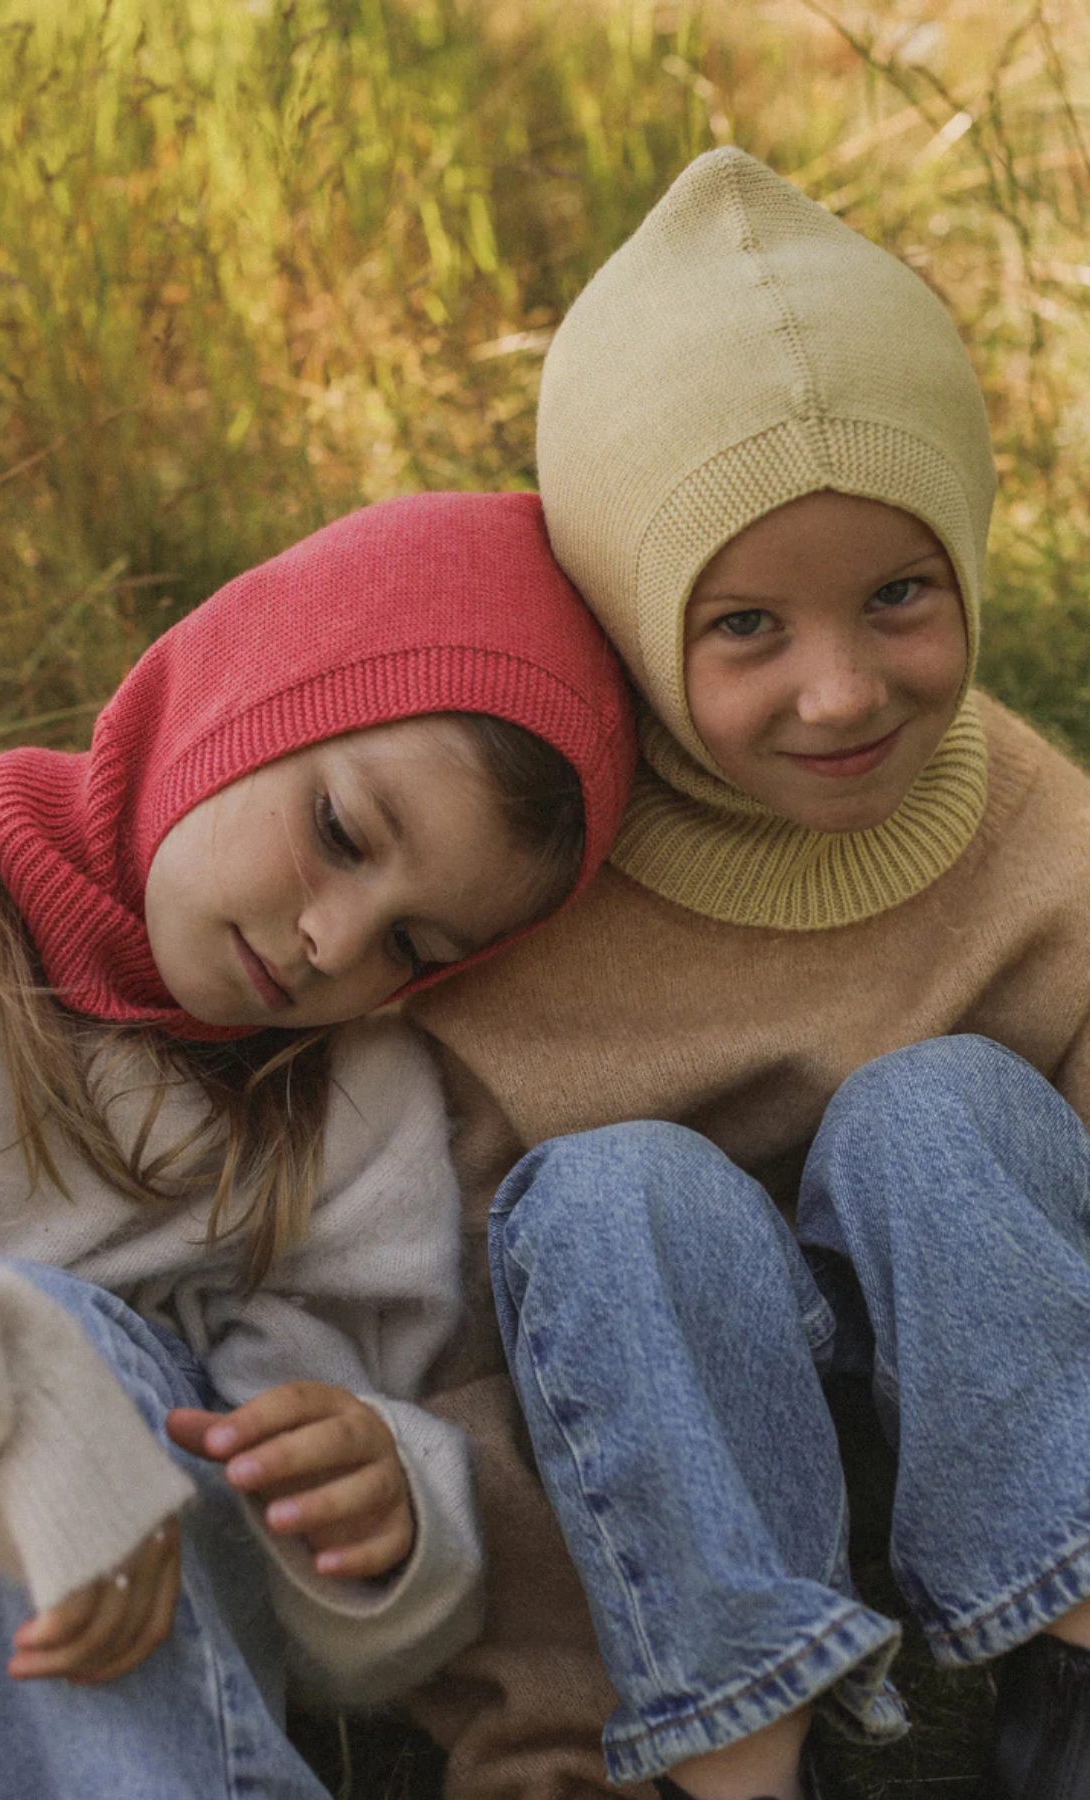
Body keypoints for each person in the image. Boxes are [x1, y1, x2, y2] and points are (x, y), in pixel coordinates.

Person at [405, 151, 1090, 1800]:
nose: (842, 689)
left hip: (1015, 1439)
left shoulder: (1038, 833)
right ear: (634, 619)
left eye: (899, 596)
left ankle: (1070, 1676)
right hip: (683, 1518)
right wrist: (543, 1724)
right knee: (608, 1197)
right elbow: (480, 1385)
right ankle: (737, 1764)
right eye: (747, 628)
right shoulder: (526, 898)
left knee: (945, 1114)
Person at [0, 488, 635, 1800]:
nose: (334, 943)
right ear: (242, 691)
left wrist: (379, 1510)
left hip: (66, 1698)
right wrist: (7, 1390)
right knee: (39, 1342)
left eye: (414, 946)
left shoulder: (358, 1125)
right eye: (339, 834)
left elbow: (307, 1614)